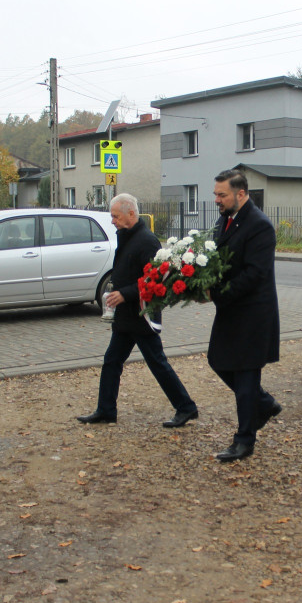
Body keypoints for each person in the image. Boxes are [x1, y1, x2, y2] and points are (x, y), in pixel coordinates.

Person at [76, 193, 199, 428]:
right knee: (112, 361)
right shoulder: (127, 235)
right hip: (125, 315)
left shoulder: (146, 241)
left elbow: (155, 280)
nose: (112, 221)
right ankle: (106, 410)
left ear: (131, 213)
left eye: (115, 216)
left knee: (157, 363)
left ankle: (186, 407)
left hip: (142, 315)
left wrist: (125, 293)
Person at [208, 169, 282, 462]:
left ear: (241, 193)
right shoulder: (225, 219)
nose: (217, 199)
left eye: (222, 194)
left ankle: (244, 439)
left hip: (253, 313)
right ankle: (263, 404)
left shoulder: (259, 225)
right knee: (217, 359)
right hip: (230, 310)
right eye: (215, 194)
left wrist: (216, 293)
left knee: (246, 375)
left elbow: (255, 273)